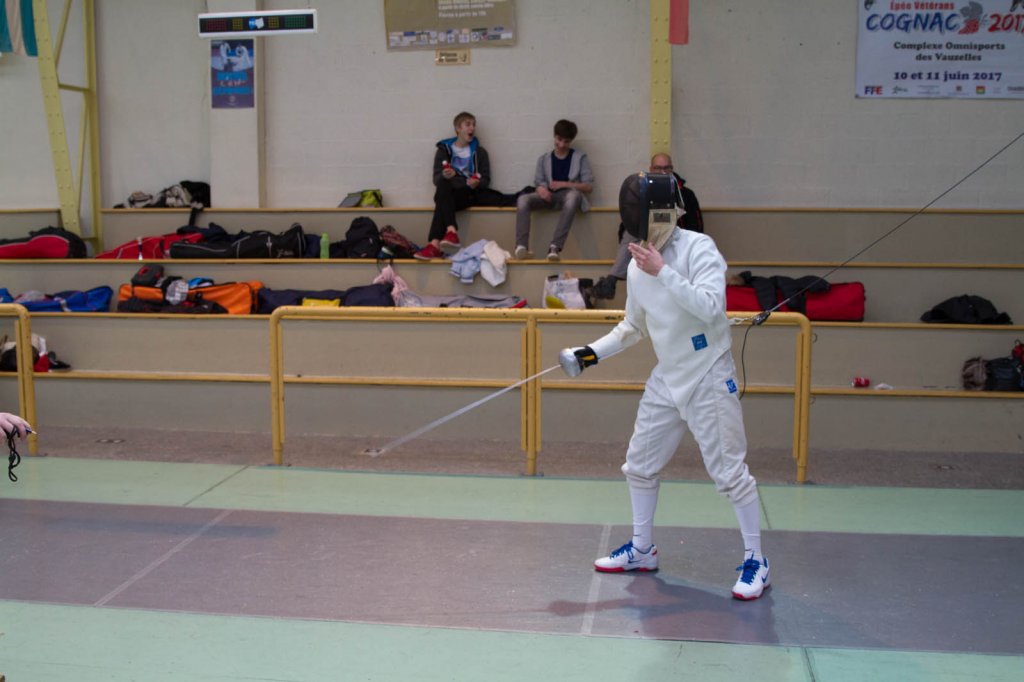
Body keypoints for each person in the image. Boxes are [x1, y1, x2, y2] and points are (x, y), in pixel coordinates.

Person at [558, 185, 769, 601]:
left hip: (708, 373)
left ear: (669, 212)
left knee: (729, 474)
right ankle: (641, 549)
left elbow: (711, 307)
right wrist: (590, 353)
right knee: (639, 465)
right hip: (667, 376)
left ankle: (756, 560)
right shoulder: (639, 266)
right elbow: (632, 327)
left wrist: (663, 271)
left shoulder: (699, 248)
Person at [591, 153, 703, 300]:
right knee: (631, 235)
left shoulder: (686, 194)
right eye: (658, 168)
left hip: (676, 240)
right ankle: (612, 280)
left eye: (666, 168)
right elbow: (629, 220)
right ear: (650, 169)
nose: (662, 172)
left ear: (672, 169)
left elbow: (696, 225)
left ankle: (612, 278)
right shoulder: (641, 191)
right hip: (646, 239)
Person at [415, 112, 508, 260]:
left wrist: (477, 182)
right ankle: (450, 231)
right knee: (443, 186)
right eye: (468, 124)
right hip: (450, 193)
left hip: (469, 194)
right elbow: (436, 179)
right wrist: (445, 176)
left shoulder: (480, 152)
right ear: (458, 128)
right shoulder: (443, 151)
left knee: (441, 198)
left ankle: (435, 245)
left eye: (474, 125)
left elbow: (486, 180)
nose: (472, 128)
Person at [513, 119, 594, 262]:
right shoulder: (543, 159)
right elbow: (538, 182)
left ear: (571, 141)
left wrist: (564, 184)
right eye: (559, 140)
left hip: (568, 196)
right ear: (554, 136)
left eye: (566, 141)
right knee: (523, 199)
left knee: (573, 196)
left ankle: (555, 247)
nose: (562, 144)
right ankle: (521, 246)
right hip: (547, 197)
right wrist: (541, 189)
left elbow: (588, 186)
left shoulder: (580, 158)